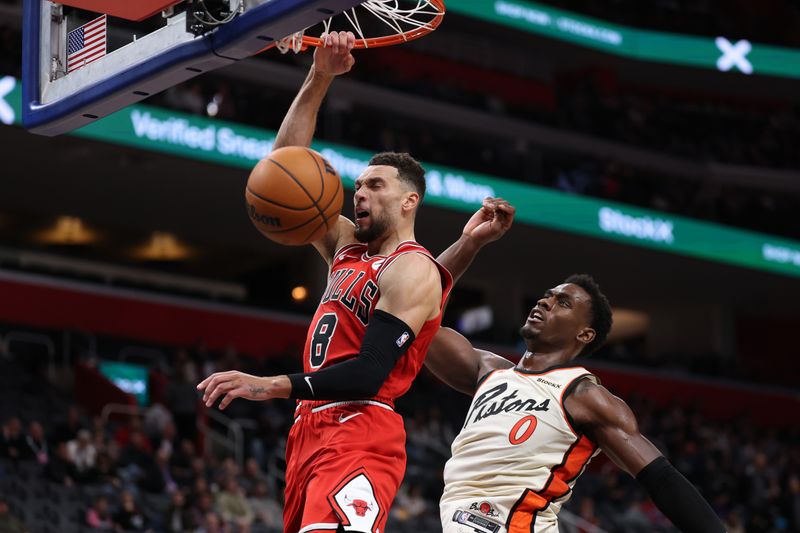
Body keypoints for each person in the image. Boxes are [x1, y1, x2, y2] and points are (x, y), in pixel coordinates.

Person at [197, 31, 515, 533]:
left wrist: (270, 385)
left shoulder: (411, 267)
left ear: (409, 201)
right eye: (358, 185)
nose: (359, 194)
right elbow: (283, 168)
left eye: (375, 185)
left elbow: (369, 371)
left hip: (362, 425)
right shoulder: (345, 246)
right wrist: (320, 75)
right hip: (309, 431)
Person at [423, 269, 727, 532]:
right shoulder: (488, 370)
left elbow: (660, 477)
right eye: (548, 295)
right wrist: (472, 241)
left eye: (562, 303)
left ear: (584, 334)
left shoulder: (583, 395)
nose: (545, 302)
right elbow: (421, 319)